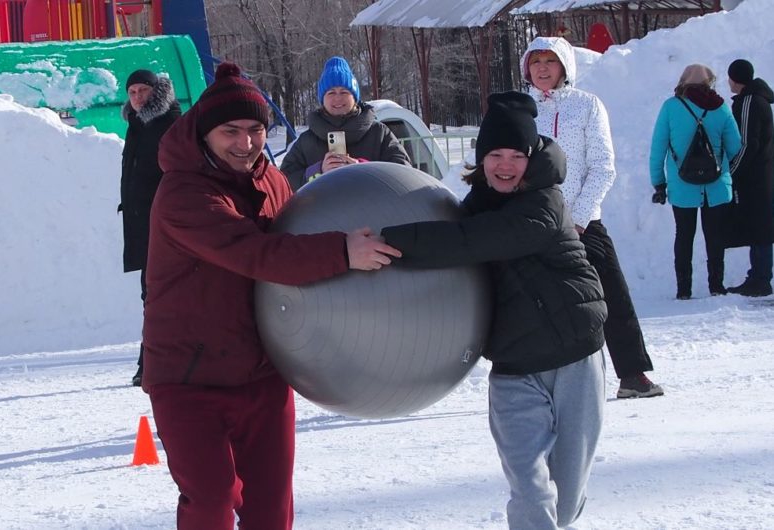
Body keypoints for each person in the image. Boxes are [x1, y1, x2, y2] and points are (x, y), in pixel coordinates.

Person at [142, 62, 400, 529]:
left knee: (272, 510)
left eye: (256, 130)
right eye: (231, 132)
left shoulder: (270, 179)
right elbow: (258, 253)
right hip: (188, 376)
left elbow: (303, 232)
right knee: (213, 501)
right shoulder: (183, 193)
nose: (245, 144)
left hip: (262, 372)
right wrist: (343, 252)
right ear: (204, 133)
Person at [381, 91, 607, 530]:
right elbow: (445, 234)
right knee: (529, 486)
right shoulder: (475, 207)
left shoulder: (545, 204)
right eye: (494, 155)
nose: (505, 165)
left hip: (574, 357)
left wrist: (393, 240)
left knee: (565, 500)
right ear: (481, 159)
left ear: (531, 156)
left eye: (515, 155)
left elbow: (471, 242)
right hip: (514, 367)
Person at [522, 36, 663, 398]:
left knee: (611, 293)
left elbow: (603, 167)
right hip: (534, 220)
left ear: (565, 67)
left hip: (582, 221)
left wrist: (580, 217)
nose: (541, 68)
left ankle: (633, 374)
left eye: (549, 61)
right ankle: (539, 379)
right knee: (532, 300)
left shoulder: (587, 106)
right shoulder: (520, 108)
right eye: (535, 61)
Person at [650, 64, 742, 300]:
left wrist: (659, 184)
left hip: (682, 187)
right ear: (709, 82)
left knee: (684, 236)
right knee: (715, 237)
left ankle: (683, 290)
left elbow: (658, 149)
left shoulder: (671, 107)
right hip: (717, 186)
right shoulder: (721, 108)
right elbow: (735, 148)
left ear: (683, 82)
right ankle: (716, 286)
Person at [119, 69, 181, 386]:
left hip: (166, 225)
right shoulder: (136, 125)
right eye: (133, 92)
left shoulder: (169, 123)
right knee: (152, 295)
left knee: (161, 295)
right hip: (143, 224)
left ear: (155, 92)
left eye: (143, 90)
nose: (138, 97)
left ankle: (154, 362)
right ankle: (151, 361)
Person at [280, 56, 409, 190]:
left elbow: (403, 172)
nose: (338, 98)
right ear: (322, 100)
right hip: (323, 211)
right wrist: (318, 171)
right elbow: (284, 182)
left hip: (373, 209)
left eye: (344, 92)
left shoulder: (379, 133)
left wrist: (364, 169)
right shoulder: (306, 141)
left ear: (355, 98)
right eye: (331, 93)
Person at [724, 59, 774, 297]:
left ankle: (760, 278)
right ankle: (759, 275)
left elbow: (746, 143)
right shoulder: (760, 100)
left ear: (736, 79)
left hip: (755, 175)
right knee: (761, 225)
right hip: (763, 172)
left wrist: (732, 171)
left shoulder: (749, 102)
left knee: (760, 226)